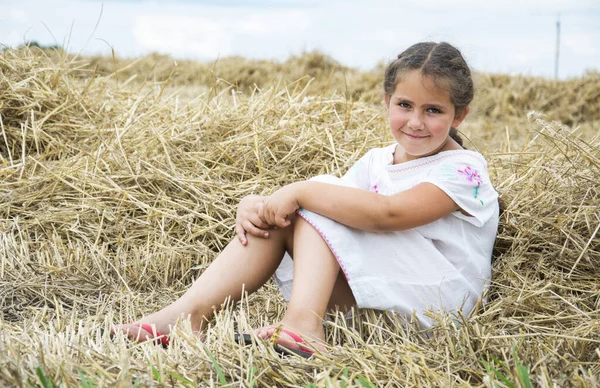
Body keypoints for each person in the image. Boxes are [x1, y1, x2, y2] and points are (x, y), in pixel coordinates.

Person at [111, 42, 499, 358]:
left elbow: (387, 215)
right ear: (386, 102)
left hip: (436, 307)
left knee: (317, 195)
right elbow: (332, 214)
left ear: (459, 116)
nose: (416, 121)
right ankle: (184, 319)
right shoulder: (376, 161)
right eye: (404, 105)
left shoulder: (463, 170)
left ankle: (302, 326)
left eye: (433, 111)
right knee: (300, 211)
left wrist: (299, 191)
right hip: (379, 298)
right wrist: (261, 205)